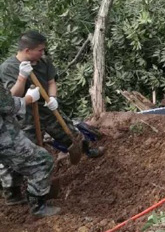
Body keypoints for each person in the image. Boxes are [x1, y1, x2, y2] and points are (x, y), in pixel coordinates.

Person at [0, 30, 103, 158]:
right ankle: (39, 174)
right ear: (27, 50)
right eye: (40, 50)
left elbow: (51, 82)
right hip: (27, 117)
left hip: (48, 109)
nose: (43, 53)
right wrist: (22, 77)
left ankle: (87, 152)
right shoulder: (8, 68)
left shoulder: (44, 62)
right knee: (32, 150)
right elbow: (13, 96)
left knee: (72, 134)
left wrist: (53, 98)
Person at [0, 83, 60, 217]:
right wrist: (28, 99)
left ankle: (12, 195)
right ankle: (38, 206)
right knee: (43, 161)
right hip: (4, 138)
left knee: (9, 161)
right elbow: (8, 106)